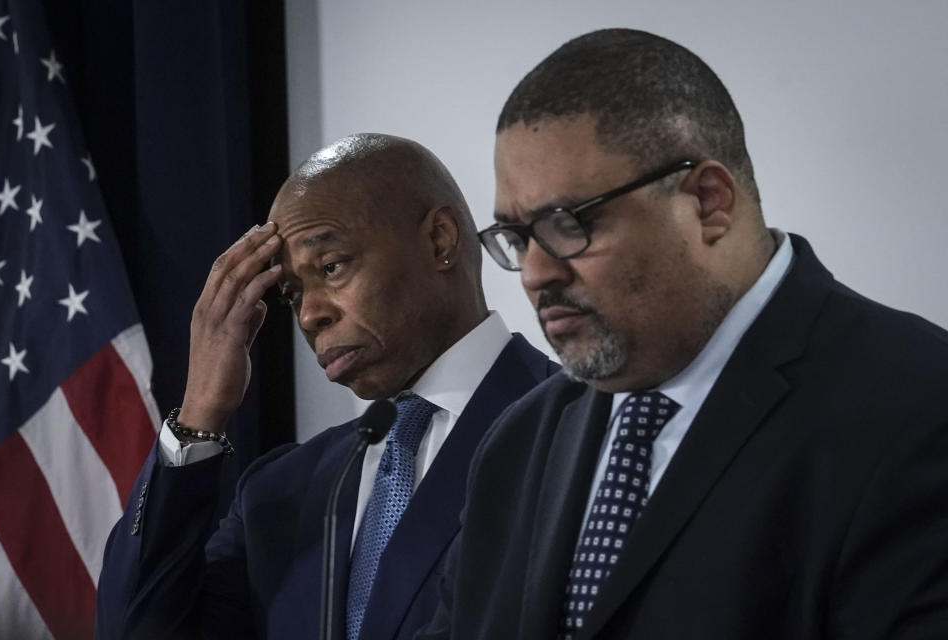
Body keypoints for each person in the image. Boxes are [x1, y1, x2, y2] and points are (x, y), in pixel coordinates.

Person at [420, 29, 948, 639]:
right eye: (517, 235)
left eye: (568, 223)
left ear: (708, 201)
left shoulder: (917, 409)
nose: (536, 272)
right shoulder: (518, 444)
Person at [94, 133, 555, 640]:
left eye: (332, 267)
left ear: (439, 239)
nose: (311, 314)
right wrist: (199, 414)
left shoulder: (579, 432)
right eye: (291, 293)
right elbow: (134, 629)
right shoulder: (281, 492)